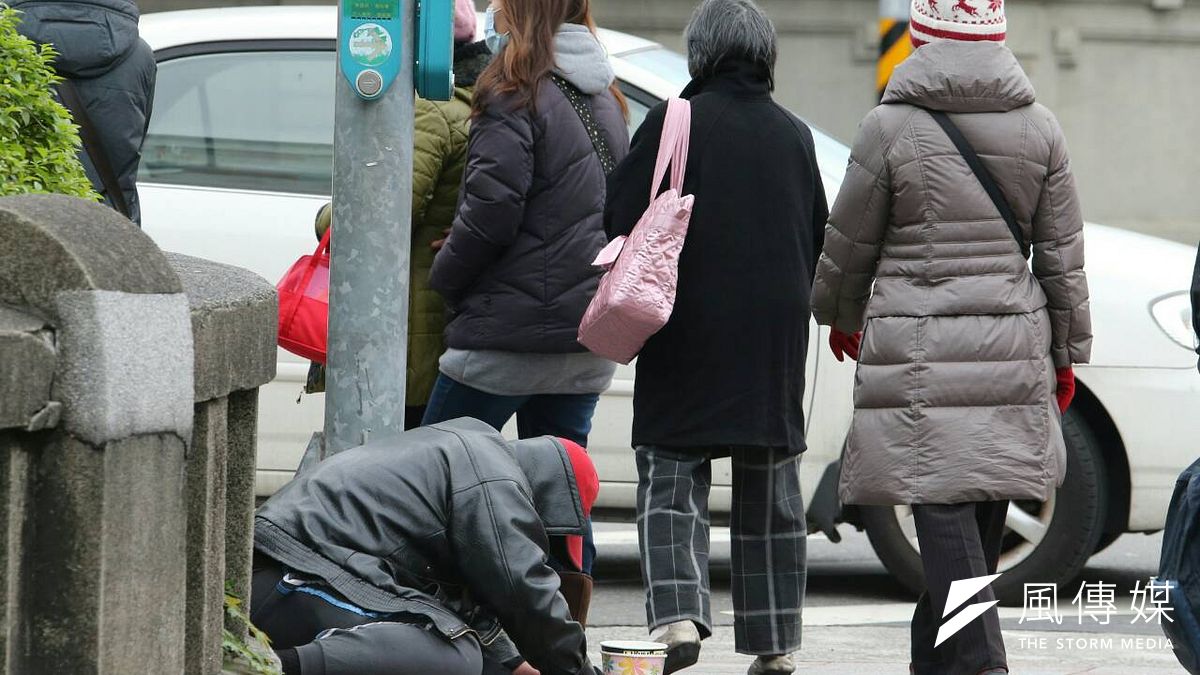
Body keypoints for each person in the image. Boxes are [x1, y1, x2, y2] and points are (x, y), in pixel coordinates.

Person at [810, 0, 1092, 673]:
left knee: (944, 523)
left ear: (922, 36)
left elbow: (850, 243)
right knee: (968, 528)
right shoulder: (1040, 129)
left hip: (919, 356)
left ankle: (984, 662)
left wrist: (839, 311)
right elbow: (1062, 258)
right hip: (1011, 347)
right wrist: (1067, 351)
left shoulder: (889, 128)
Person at [603, 1, 827, 673]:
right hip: (772, 332)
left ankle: (675, 615)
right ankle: (775, 642)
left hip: (687, 320)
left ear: (699, 55)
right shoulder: (793, 133)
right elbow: (816, 230)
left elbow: (619, 214)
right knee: (770, 489)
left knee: (671, 471)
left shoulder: (677, 120)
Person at [424, 0, 630, 573]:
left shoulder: (511, 91)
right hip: (582, 338)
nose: (491, 9)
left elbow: (493, 210)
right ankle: (566, 631)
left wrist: (447, 278)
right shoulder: (606, 98)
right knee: (563, 499)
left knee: (431, 479)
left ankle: (437, 627)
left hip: (503, 340)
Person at [251, 418, 600, 675]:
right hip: (294, 573)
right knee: (457, 656)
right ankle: (263, 667)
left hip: (290, 573)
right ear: (549, 494)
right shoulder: (493, 474)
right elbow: (523, 590)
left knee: (476, 656)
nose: (543, 547)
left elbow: (465, 607)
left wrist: (512, 661)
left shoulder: (461, 450)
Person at [307, 2, 492, 428]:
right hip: (440, 327)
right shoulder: (476, 106)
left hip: (406, 340)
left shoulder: (431, 113)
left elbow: (374, 221)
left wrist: (325, 217)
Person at [11, 0, 155, 224]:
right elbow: (134, 143)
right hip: (107, 232)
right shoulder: (139, 56)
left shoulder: (8, 48)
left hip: (21, 228)